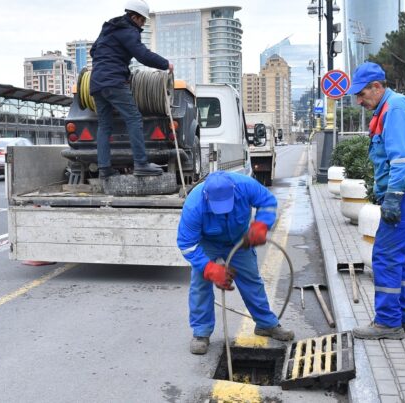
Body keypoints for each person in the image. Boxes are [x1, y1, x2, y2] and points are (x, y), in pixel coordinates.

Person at [349, 62, 405, 340]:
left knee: (384, 256)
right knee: (403, 258)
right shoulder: (390, 106)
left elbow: (404, 158)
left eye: (362, 94)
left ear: (377, 86)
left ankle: (387, 322)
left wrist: (393, 196)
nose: (359, 101)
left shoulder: (394, 109)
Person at [177, 171, 294, 354]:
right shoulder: (194, 205)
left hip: (240, 239)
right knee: (200, 284)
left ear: (234, 191)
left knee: (251, 280)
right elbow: (186, 244)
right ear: (207, 197)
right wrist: (209, 268)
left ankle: (265, 324)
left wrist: (261, 225)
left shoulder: (245, 185)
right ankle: (201, 332)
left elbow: (268, 202)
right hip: (209, 242)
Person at [89, 0, 173, 177]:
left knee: (104, 125)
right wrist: (165, 64)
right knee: (134, 118)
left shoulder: (109, 29)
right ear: (134, 17)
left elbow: (93, 51)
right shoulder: (128, 31)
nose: (142, 24)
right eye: (142, 21)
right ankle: (141, 164)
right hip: (114, 82)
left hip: (96, 83)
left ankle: (104, 169)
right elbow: (142, 55)